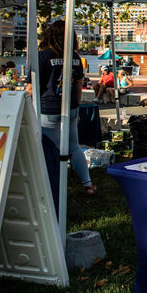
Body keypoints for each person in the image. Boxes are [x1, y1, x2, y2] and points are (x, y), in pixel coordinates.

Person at [26, 20, 96, 195]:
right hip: (70, 108)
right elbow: (79, 86)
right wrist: (77, 107)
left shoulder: (42, 57)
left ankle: (52, 188)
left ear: (50, 35)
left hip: (48, 109)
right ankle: (87, 184)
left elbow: (30, 89)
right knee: (74, 147)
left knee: (50, 150)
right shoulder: (75, 58)